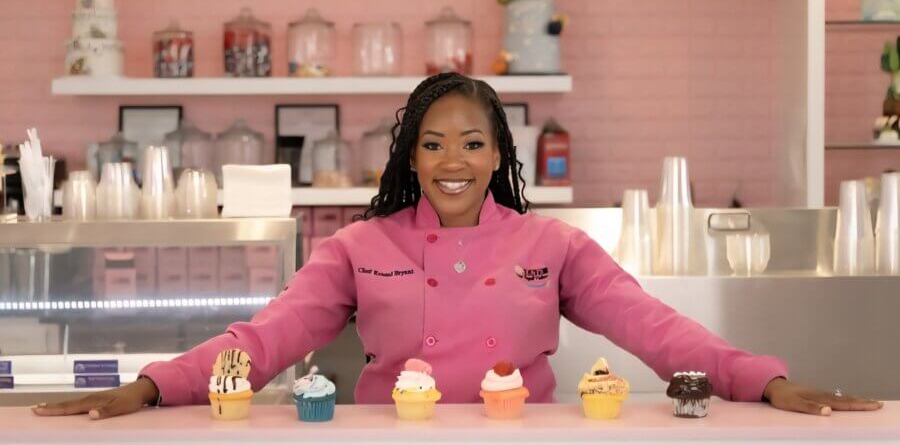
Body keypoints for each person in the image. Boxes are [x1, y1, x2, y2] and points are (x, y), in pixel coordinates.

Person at [33, 73, 882, 420]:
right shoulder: (360, 245)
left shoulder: (551, 242)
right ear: (410, 152)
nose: (452, 161)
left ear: (498, 155)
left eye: (473, 143)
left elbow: (655, 327)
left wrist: (762, 379)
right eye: (433, 142)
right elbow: (263, 342)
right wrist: (148, 386)